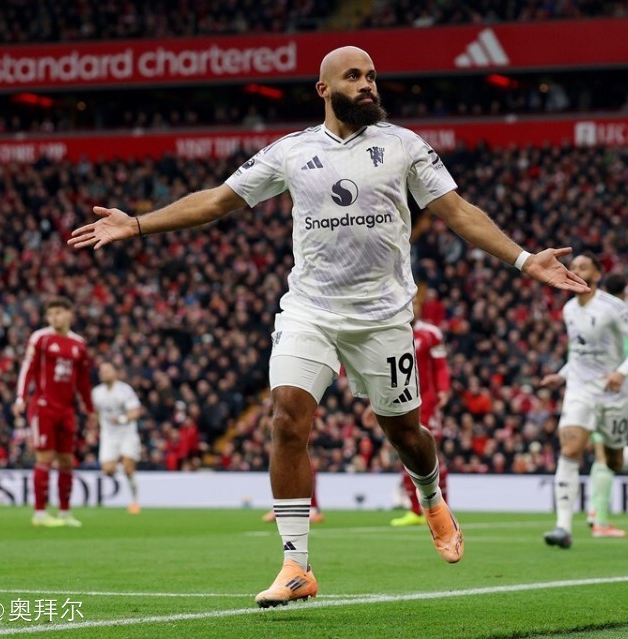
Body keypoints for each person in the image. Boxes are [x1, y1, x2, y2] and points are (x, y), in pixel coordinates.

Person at [69, 45, 588, 606]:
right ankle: (296, 565)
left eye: (371, 76)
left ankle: (430, 496)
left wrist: (524, 259)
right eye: (353, 76)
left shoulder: (403, 145)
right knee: (287, 418)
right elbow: (218, 201)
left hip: (383, 318)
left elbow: (458, 212)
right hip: (310, 310)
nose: (367, 85)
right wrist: (137, 224)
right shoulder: (291, 152)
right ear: (324, 89)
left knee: (405, 434)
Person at [539, 256, 628, 549]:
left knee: (613, 461)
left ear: (598, 275)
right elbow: (579, 354)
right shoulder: (568, 310)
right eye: (573, 267)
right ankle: (563, 527)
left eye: (583, 267)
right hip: (580, 391)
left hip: (613, 393)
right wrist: (561, 376)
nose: (576, 270)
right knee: (570, 450)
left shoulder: (613, 307)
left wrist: (622, 372)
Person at [14, 297, 94, 528]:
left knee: (67, 460)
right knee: (45, 458)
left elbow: (83, 381)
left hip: (67, 409)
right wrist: (21, 397)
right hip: (43, 406)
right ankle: (40, 513)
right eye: (50, 314)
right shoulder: (41, 338)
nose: (54, 318)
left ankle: (65, 512)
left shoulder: (79, 344)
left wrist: (89, 409)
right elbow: (28, 368)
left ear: (69, 314)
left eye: (58, 312)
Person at [585, 273, 628, 538]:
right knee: (606, 457)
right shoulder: (621, 325)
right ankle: (600, 521)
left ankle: (594, 512)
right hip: (609, 399)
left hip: (588, 396)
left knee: (601, 456)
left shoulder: (589, 317)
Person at [391, 298, 451, 527]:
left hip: (427, 403)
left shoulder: (431, 334)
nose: (411, 306)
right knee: (405, 453)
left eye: (415, 303)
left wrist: (443, 390)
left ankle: (442, 507)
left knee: (432, 454)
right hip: (401, 403)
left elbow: (440, 366)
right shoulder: (392, 333)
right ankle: (415, 510)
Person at [92, 361, 143, 514]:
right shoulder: (97, 392)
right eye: (102, 371)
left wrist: (121, 419)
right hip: (108, 436)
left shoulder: (125, 390)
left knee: (128, 468)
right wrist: (93, 429)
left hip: (126, 433)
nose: (104, 374)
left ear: (115, 373)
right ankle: (127, 469)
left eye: (107, 371)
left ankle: (135, 502)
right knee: (107, 470)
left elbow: (135, 412)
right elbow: (95, 413)